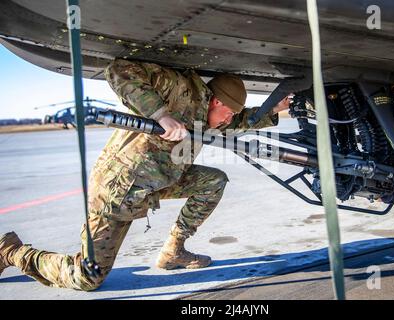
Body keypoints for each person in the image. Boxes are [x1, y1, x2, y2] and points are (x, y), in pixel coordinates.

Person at [0, 58, 291, 291]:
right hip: (118, 191)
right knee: (87, 277)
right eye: (228, 114)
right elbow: (118, 69)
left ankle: (173, 251)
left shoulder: (209, 115)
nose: (228, 121)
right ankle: (11, 251)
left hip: (158, 182)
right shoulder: (178, 89)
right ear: (216, 102)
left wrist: (274, 109)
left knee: (213, 181)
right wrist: (161, 115)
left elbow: (239, 121)